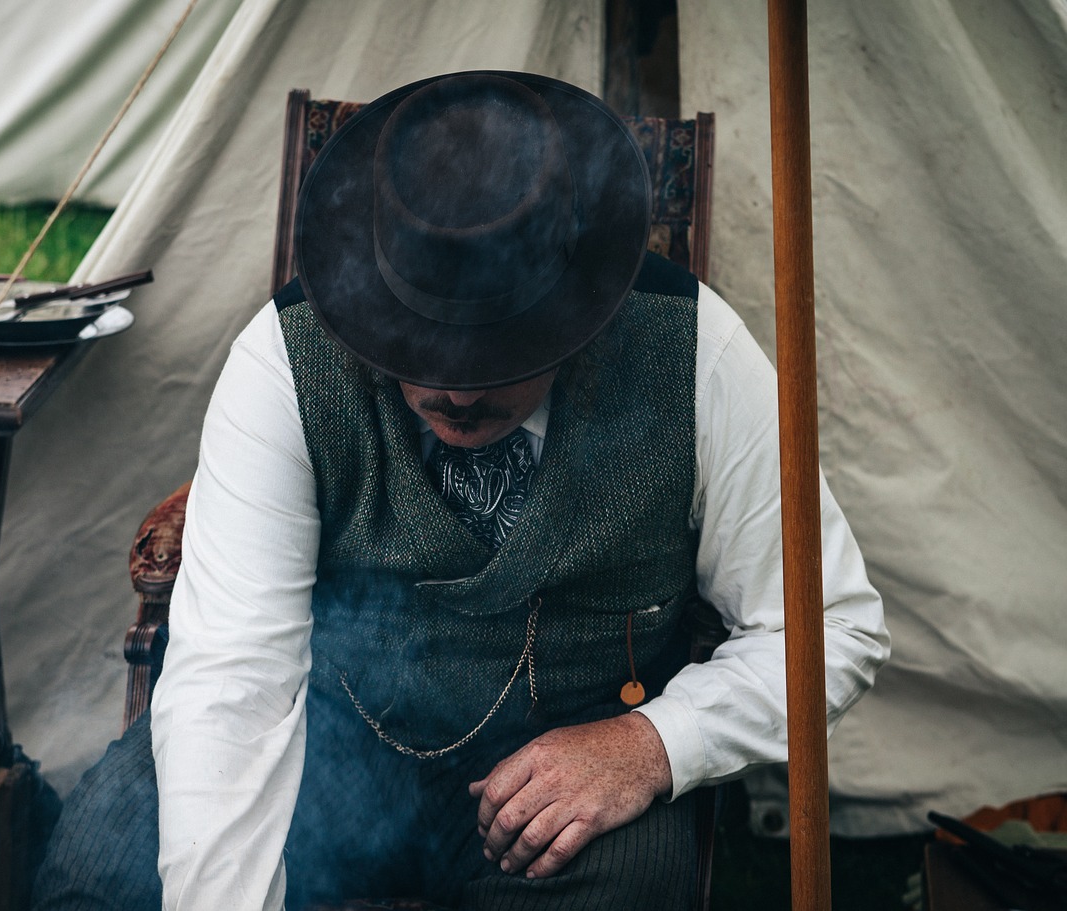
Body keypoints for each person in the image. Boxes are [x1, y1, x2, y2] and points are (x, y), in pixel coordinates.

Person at [134, 70, 889, 910]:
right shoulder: (283, 359)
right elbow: (235, 680)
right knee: (104, 877)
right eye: (423, 351)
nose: (457, 394)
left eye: (498, 355)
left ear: (578, 310)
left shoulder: (697, 351)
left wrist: (652, 742)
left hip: (565, 793)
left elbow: (833, 628)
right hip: (320, 751)